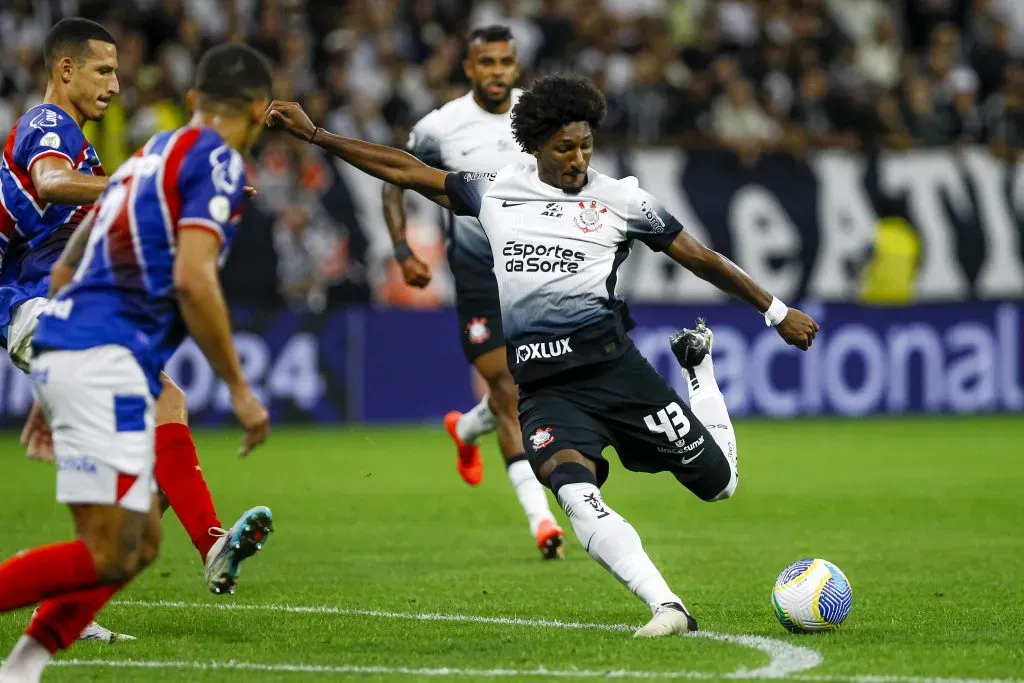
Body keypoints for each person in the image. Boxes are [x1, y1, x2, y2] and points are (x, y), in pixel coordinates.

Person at [266, 74, 819, 637]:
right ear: (534, 147)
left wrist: (774, 311)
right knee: (576, 495)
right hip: (547, 393)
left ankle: (698, 369)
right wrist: (317, 136)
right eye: (565, 148)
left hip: (617, 376)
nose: (578, 158)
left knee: (718, 484)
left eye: (585, 145)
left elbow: (700, 258)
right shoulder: (497, 191)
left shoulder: (623, 199)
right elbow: (406, 170)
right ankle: (668, 607)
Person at [0, 43, 274, 682]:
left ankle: (21, 668)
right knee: (112, 544)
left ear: (190, 102)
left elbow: (75, 258)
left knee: (131, 542)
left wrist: (50, 381)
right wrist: (239, 388)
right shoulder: (202, 163)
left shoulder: (150, 156)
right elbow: (193, 282)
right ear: (259, 111)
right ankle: (206, 548)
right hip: (80, 339)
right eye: (105, 71)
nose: (118, 87)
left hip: (70, 336)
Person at [381, 26, 564, 560]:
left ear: (516, 66)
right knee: (510, 391)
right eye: (486, 62)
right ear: (468, 67)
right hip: (478, 277)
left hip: (538, 271)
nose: (497, 72)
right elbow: (394, 180)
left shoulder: (540, 115)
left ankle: (465, 428)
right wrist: (401, 249)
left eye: (506, 62)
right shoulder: (440, 127)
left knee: (533, 385)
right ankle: (543, 522)